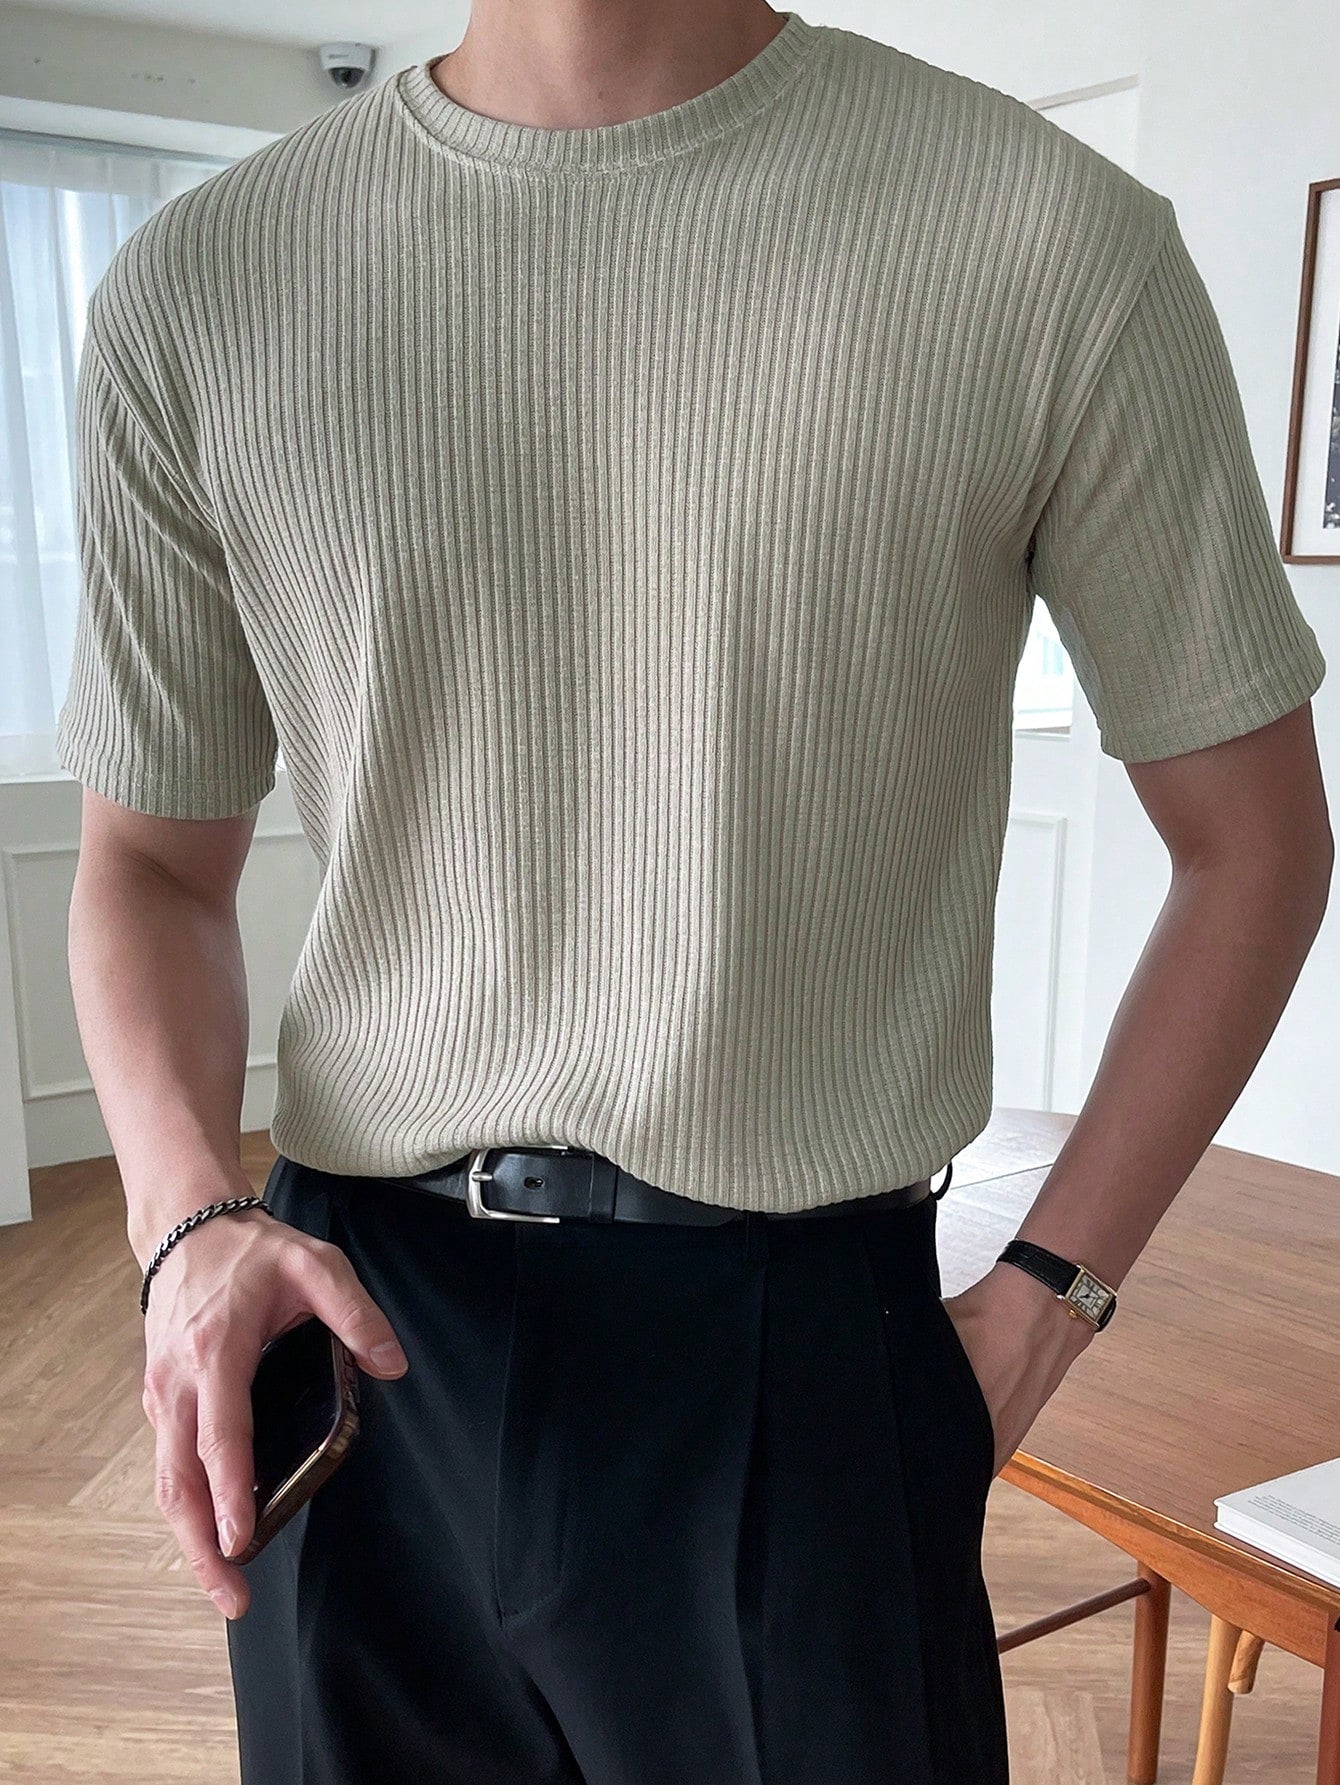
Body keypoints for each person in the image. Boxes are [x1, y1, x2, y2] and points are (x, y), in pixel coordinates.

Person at [57, 2, 1331, 1781]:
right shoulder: (203, 288)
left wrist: (1051, 1294)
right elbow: (144, 863)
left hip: (797, 1350)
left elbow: (1256, 841)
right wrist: (184, 1224)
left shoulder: (1044, 242)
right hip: (351, 1343)